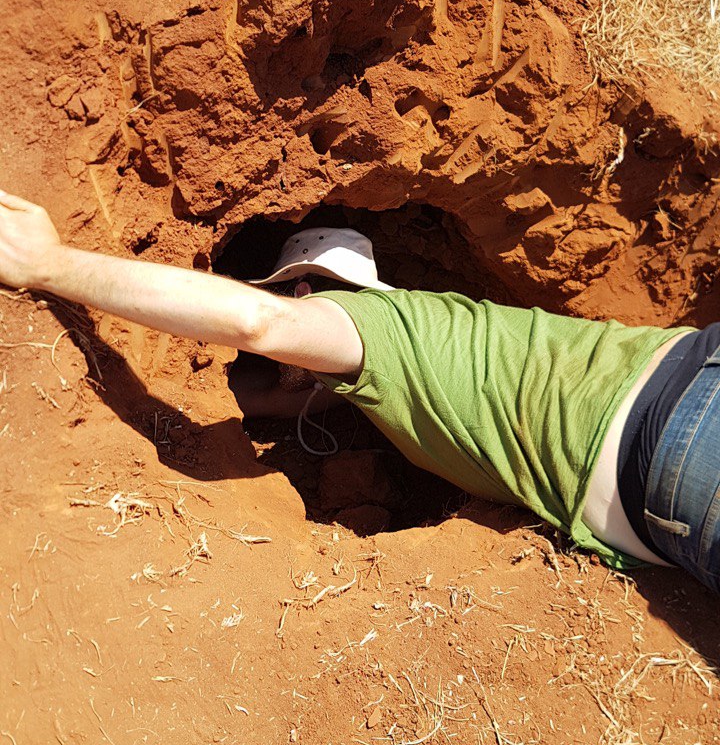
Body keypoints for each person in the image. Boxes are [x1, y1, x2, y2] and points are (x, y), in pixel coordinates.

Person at [1, 187, 718, 594]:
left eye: (299, 291)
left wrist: (50, 265)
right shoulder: (421, 349)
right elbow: (275, 399)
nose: (297, 304)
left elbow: (257, 323)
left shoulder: (368, 326)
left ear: (315, 292)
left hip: (673, 437)